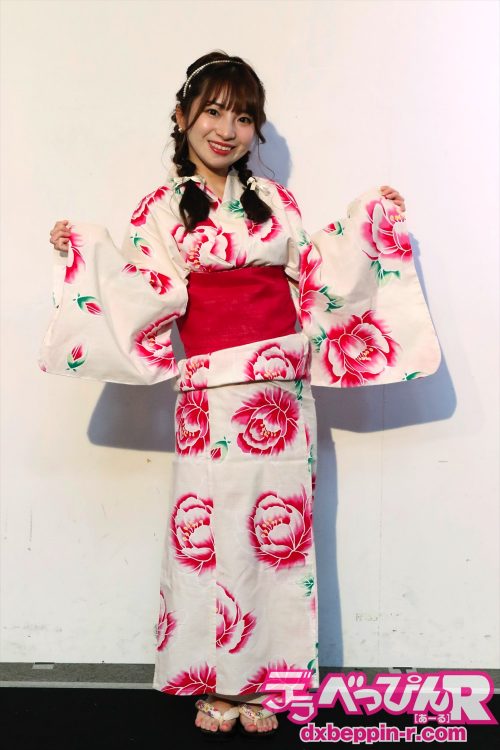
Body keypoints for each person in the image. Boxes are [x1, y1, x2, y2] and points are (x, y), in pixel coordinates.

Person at [41, 50, 441, 740]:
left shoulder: (276, 204)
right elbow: (141, 290)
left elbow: (319, 274)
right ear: (182, 117)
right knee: (211, 536)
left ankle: (270, 681)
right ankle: (217, 680)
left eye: (244, 116)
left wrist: (371, 220)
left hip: (281, 394)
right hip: (210, 392)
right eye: (215, 111)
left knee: (279, 545)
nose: (228, 129)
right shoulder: (160, 209)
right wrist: (82, 251)